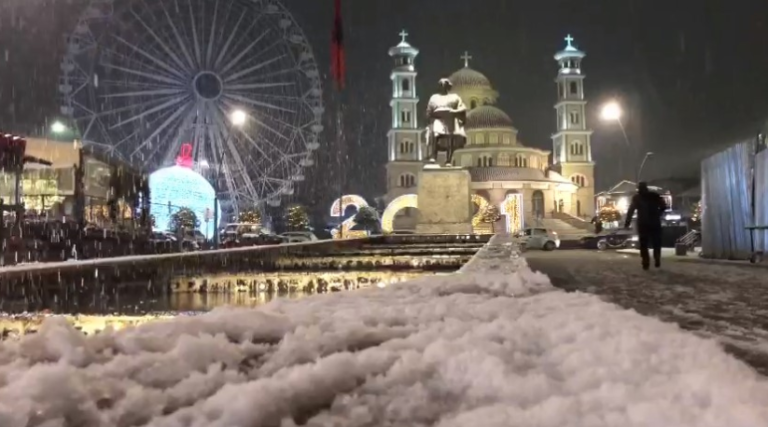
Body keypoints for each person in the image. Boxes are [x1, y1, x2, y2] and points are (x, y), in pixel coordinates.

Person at [624, 182, 667, 270]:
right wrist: (659, 213)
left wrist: (627, 223)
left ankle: (645, 262)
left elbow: (631, 210)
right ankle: (657, 258)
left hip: (643, 223)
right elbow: (664, 205)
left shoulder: (637, 198)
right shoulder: (654, 196)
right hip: (655, 222)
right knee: (656, 243)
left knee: (644, 244)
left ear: (639, 188)